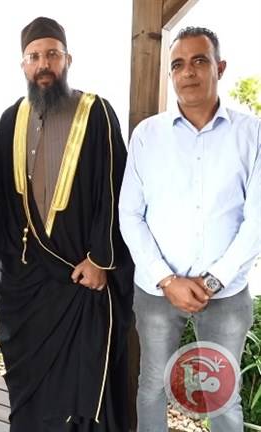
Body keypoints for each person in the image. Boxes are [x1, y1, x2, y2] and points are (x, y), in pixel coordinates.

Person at [0, 16, 134, 431]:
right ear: (23, 65)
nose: (43, 64)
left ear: (68, 60)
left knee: (81, 385)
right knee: (31, 389)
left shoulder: (96, 112)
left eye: (52, 55)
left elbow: (115, 189)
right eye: (34, 57)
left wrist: (101, 259)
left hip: (80, 277)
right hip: (26, 282)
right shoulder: (12, 118)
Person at [119, 26, 260, 431]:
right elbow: (130, 214)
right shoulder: (147, 135)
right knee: (151, 386)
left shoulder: (252, 134)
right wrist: (167, 280)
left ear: (220, 67)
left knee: (223, 396)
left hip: (225, 293)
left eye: (199, 60)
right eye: (178, 64)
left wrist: (213, 281)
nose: (188, 72)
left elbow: (257, 220)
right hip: (158, 290)